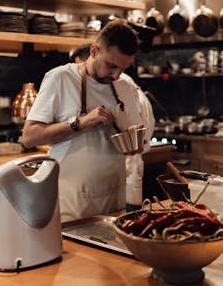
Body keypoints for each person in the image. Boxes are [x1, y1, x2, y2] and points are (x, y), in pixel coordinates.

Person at [22, 19, 155, 222]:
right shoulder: (61, 78)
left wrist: (133, 139)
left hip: (115, 197)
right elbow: (29, 137)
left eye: (123, 68)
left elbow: (130, 140)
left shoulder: (125, 87)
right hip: (74, 201)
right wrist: (80, 123)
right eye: (111, 65)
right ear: (94, 51)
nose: (117, 75)